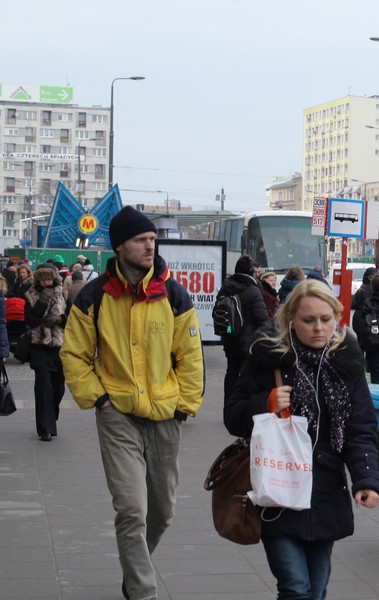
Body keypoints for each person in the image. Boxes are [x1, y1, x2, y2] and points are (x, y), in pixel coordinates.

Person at [61, 205, 205, 600]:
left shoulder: (173, 293)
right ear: (120, 246)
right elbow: (73, 355)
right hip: (117, 415)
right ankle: (142, 592)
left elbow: (190, 356)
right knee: (131, 510)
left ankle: (132, 572)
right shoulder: (95, 295)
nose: (150, 246)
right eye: (141, 240)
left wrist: (184, 407)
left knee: (162, 512)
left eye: (152, 239)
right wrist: (99, 399)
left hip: (165, 415)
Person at [224, 280, 379, 600]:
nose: (319, 328)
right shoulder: (267, 357)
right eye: (309, 321)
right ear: (290, 319)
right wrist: (263, 404)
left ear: (337, 316)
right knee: (295, 588)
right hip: (277, 489)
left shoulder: (346, 362)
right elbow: (233, 416)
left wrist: (367, 480)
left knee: (316, 590)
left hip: (325, 492)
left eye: (326, 319)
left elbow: (361, 428)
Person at [215, 255, 272, 404]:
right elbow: (262, 319)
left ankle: (228, 404)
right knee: (246, 375)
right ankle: (239, 405)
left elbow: (217, 311)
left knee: (231, 372)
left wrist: (228, 332)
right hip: (248, 343)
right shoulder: (253, 291)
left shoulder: (225, 288)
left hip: (229, 336)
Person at [25, 267, 68, 442]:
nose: (46, 283)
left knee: (58, 389)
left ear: (54, 279)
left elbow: (72, 317)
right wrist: (42, 302)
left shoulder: (62, 294)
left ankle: (51, 414)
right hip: (39, 346)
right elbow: (30, 320)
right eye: (42, 280)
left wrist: (59, 320)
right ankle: (45, 429)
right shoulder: (30, 295)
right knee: (44, 389)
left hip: (58, 347)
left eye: (48, 279)